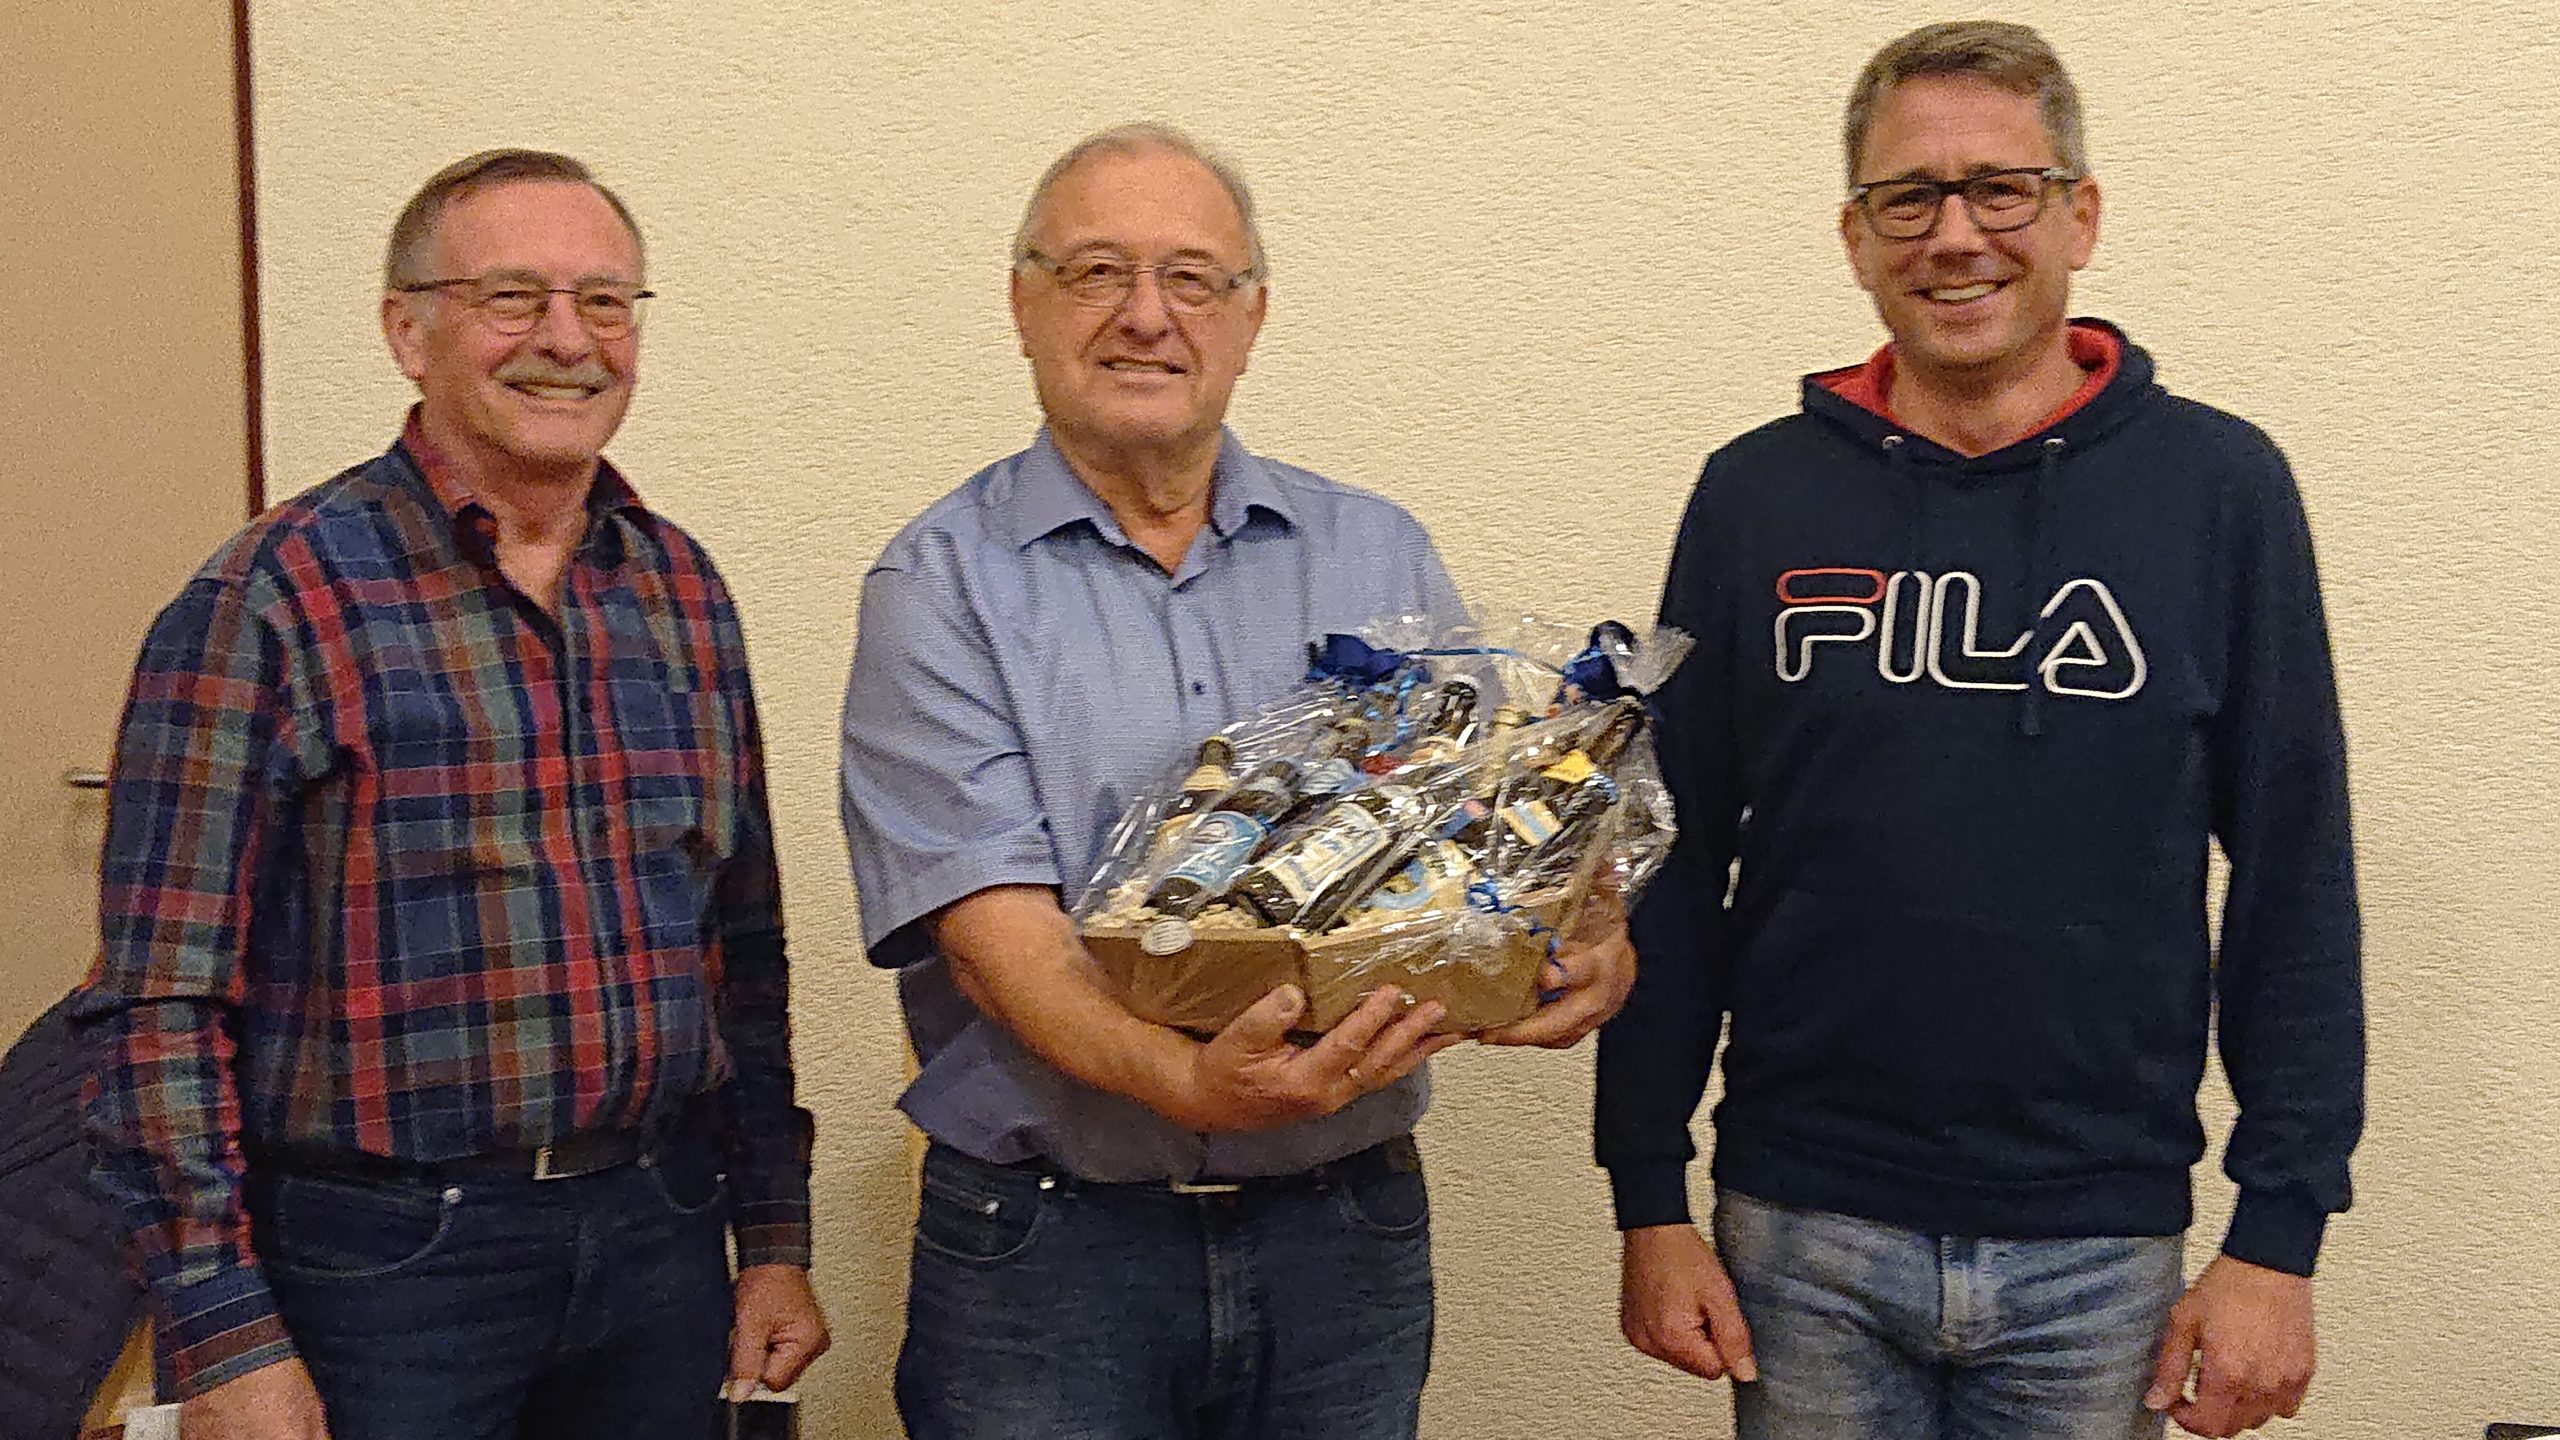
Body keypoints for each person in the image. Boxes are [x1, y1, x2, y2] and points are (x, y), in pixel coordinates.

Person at [1599, 21, 2363, 1440]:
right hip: (1801, 1230)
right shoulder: (1756, 496)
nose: (1956, 236)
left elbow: (2295, 872)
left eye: (2002, 188)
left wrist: (2279, 1231)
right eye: (1910, 197)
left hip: (2099, 1245)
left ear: (2081, 215)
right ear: (1855, 236)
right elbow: (1668, 854)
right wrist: (1646, 1189)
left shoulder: (2220, 490)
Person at [839, 122, 1636, 1439]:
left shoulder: (1377, 552)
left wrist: (1577, 938)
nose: (1146, 316)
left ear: (1252, 316)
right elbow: (993, 941)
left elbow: (1479, 845)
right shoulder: (937, 585)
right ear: (1023, 304)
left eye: (1192, 278)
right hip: (1047, 1257)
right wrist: (1188, 1083)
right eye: (1096, 272)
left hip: (1343, 1235)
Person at [76, 148, 827, 1440]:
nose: (567, 341)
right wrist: (223, 1335)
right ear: (406, 331)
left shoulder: (682, 593)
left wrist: (771, 1235)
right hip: (382, 1270)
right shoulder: (272, 600)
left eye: (605, 302)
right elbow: (158, 1001)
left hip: (658, 1237)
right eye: (512, 298)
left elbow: (741, 953)